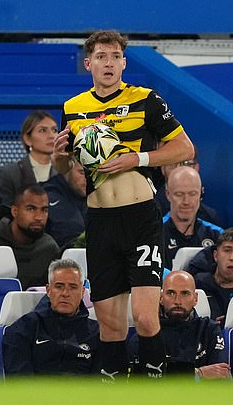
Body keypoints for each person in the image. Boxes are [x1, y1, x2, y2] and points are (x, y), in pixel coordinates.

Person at [53, 30, 194, 380]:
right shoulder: (74, 108)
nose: (109, 63)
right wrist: (58, 157)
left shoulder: (146, 99)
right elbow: (68, 167)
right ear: (89, 63)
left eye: (115, 56)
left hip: (139, 217)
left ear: (124, 63)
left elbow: (184, 149)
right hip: (100, 220)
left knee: (146, 318)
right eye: (101, 56)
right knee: (110, 327)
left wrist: (137, 158)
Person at [3, 259, 100, 375]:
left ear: (82, 292)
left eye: (73, 287)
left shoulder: (97, 333)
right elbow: (18, 381)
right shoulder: (23, 329)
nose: (65, 293)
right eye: (59, 286)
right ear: (48, 290)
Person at [128, 271, 230, 379]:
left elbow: (220, 374)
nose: (177, 301)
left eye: (185, 293)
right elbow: (142, 382)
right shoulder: (146, 334)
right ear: (161, 298)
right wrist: (198, 374)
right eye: (171, 293)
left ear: (195, 298)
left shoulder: (209, 330)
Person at [0, 184, 60, 289]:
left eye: (44, 210)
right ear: (15, 211)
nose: (39, 217)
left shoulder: (49, 248)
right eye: (31, 209)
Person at [162, 166, 223, 270]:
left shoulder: (217, 235)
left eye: (192, 194)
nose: (186, 201)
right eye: (179, 194)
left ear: (201, 193)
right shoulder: (155, 233)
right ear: (168, 194)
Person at [0, 111, 59, 205]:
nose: (51, 136)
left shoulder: (64, 172)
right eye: (42, 130)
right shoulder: (10, 174)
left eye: (54, 130)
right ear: (27, 139)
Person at [155, 145, 222, 226]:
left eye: (186, 164)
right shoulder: (151, 210)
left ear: (196, 168)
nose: (180, 169)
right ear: (163, 169)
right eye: (172, 164)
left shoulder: (210, 218)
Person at [43, 158, 87, 249]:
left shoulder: (100, 194)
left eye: (94, 174)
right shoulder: (48, 195)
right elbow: (70, 233)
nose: (88, 179)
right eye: (82, 173)